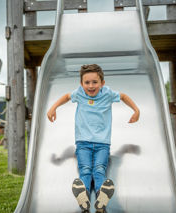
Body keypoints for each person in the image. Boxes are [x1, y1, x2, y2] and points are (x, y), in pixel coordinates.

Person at [47, 64, 140, 213]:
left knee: (99, 170)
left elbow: (123, 96)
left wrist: (136, 110)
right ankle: (83, 198)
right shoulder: (79, 93)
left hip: (103, 143)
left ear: (102, 83)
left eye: (95, 82)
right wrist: (53, 108)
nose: (91, 86)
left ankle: (100, 200)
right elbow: (66, 97)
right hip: (83, 142)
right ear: (81, 84)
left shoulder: (108, 93)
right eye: (87, 82)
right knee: (85, 170)